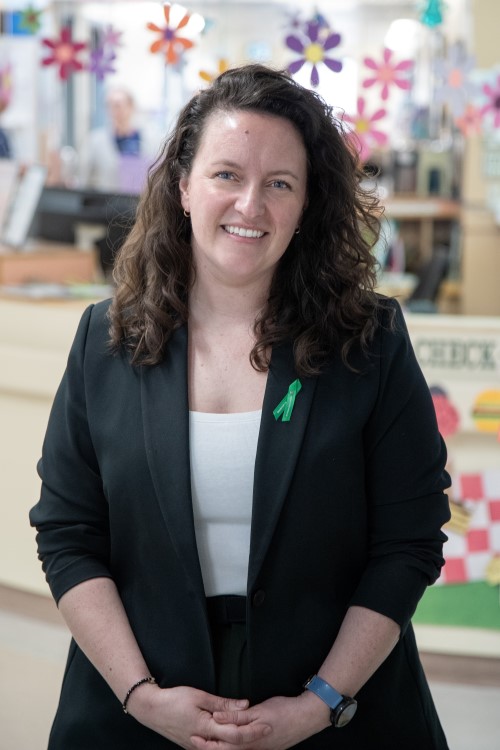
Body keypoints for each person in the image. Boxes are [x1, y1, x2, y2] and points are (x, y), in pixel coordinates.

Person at [30, 64, 451, 750]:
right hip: (136, 707)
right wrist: (140, 697)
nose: (250, 205)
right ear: (183, 187)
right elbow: (68, 534)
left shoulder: (368, 343)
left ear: (307, 203)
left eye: (279, 183)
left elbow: (408, 541)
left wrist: (320, 703)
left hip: (336, 707)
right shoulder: (104, 343)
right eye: (227, 174)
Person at [78, 85, 160, 192]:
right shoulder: (96, 141)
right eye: (109, 106)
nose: (114, 110)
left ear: (131, 107)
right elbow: (84, 178)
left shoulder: (151, 140)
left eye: (118, 105)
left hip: (141, 202)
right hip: (106, 203)